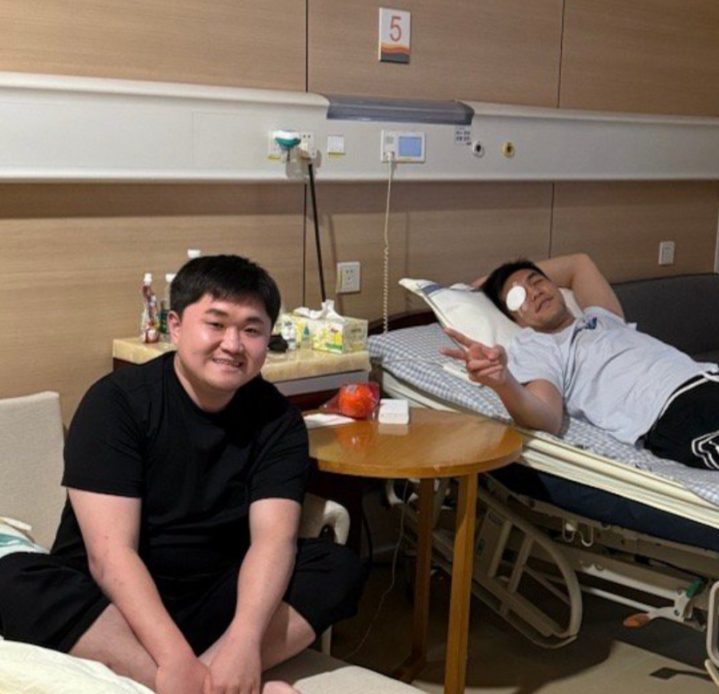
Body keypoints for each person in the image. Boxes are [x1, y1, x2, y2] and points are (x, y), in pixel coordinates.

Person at [0, 255, 364, 694]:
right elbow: (110, 554)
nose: (233, 344)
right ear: (175, 327)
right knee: (14, 579)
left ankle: (199, 679)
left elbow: (273, 540)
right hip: (111, 604)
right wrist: (173, 657)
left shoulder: (278, 421)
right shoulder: (117, 403)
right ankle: (197, 683)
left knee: (336, 566)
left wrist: (244, 642)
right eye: (216, 324)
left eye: (251, 330)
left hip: (213, 597)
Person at [441, 253, 719, 470]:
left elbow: (579, 263)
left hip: (708, 378)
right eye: (518, 297)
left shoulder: (603, 318)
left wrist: (492, 279)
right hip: (673, 409)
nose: (535, 292)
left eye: (537, 282)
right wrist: (504, 383)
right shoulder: (538, 345)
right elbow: (547, 418)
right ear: (515, 318)